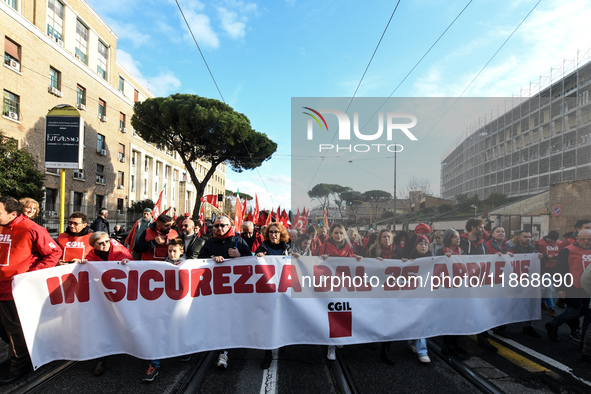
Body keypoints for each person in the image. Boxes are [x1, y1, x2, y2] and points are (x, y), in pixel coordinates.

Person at [0, 196, 61, 384]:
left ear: (12, 214)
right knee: (6, 330)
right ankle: (24, 355)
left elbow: (54, 252)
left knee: (14, 331)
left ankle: (20, 366)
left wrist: (30, 276)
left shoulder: (31, 228)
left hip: (13, 290)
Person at [198, 216, 252, 368]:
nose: (219, 228)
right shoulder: (209, 243)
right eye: (216, 226)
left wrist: (239, 256)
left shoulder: (238, 241)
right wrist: (211, 258)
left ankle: (225, 351)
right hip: (215, 289)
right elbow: (199, 260)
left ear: (230, 226)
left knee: (230, 317)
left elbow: (252, 261)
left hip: (234, 289)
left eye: (223, 225)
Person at [78, 231, 131, 376]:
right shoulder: (90, 257)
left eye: (107, 241)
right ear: (93, 245)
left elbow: (130, 261)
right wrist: (82, 264)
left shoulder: (119, 250)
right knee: (102, 325)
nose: (105, 245)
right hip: (102, 297)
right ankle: (101, 358)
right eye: (101, 243)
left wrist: (128, 263)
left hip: (120, 295)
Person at [316, 224, 362, 361]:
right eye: (336, 233)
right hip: (329, 286)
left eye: (341, 233)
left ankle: (338, 337)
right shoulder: (324, 247)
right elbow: (315, 264)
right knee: (331, 313)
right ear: (330, 234)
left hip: (343, 285)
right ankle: (331, 344)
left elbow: (353, 264)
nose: (338, 236)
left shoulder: (349, 248)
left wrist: (357, 259)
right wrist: (321, 258)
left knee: (343, 312)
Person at [142, 239, 186, 382]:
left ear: (181, 251)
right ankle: (154, 365)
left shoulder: (188, 265)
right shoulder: (161, 265)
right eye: (170, 251)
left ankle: (184, 350)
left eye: (175, 251)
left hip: (179, 307)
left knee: (179, 330)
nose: (172, 254)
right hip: (162, 305)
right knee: (157, 333)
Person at [254, 223, 291, 369]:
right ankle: (267, 353)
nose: (273, 235)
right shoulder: (262, 248)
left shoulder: (287, 248)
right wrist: (258, 257)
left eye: (276, 232)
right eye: (270, 232)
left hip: (284, 290)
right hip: (268, 292)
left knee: (283, 318)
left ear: (281, 233)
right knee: (268, 322)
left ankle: (282, 341)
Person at [545, 229, 591, 344]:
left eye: (589, 239)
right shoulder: (568, 250)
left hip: (588, 288)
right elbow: (559, 270)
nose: (586, 241)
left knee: (587, 314)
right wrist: (560, 288)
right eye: (583, 239)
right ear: (577, 239)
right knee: (572, 312)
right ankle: (552, 325)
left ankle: (584, 342)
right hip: (573, 287)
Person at [459, 218, 496, 351]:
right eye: (481, 227)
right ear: (473, 228)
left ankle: (482, 337)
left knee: (480, 310)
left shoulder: (482, 243)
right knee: (463, 311)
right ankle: (460, 341)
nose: (483, 230)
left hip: (478, 283)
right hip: (463, 283)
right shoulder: (461, 241)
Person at [401, 235, 432, 364]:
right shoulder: (409, 259)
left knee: (420, 320)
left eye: (425, 244)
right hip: (413, 294)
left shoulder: (434, 259)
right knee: (418, 320)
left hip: (427, 294)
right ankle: (420, 349)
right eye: (421, 244)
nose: (423, 246)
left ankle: (416, 345)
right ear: (416, 246)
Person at [509, 230, 542, 338]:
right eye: (525, 237)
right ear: (519, 238)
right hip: (516, 281)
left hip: (529, 280)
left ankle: (528, 326)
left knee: (529, 303)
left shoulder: (533, 249)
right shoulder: (513, 249)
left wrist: (541, 257)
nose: (528, 238)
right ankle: (502, 324)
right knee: (512, 302)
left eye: (529, 236)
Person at [536, 230, 560, 316]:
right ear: (548, 237)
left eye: (555, 240)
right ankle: (551, 308)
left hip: (555, 269)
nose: (553, 242)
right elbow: (535, 254)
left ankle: (542, 302)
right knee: (549, 288)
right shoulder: (540, 243)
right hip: (545, 269)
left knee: (548, 288)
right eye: (551, 240)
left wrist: (558, 256)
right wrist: (546, 257)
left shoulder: (560, 243)